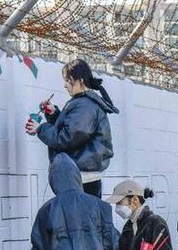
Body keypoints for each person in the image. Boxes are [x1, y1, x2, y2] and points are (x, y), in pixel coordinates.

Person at [24, 59, 117, 197]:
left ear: (80, 80)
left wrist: (40, 128)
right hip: (82, 174)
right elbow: (75, 130)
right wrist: (54, 114)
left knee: (78, 217)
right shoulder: (84, 102)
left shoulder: (85, 105)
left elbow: (67, 138)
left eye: (68, 80)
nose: (65, 85)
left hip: (81, 177)